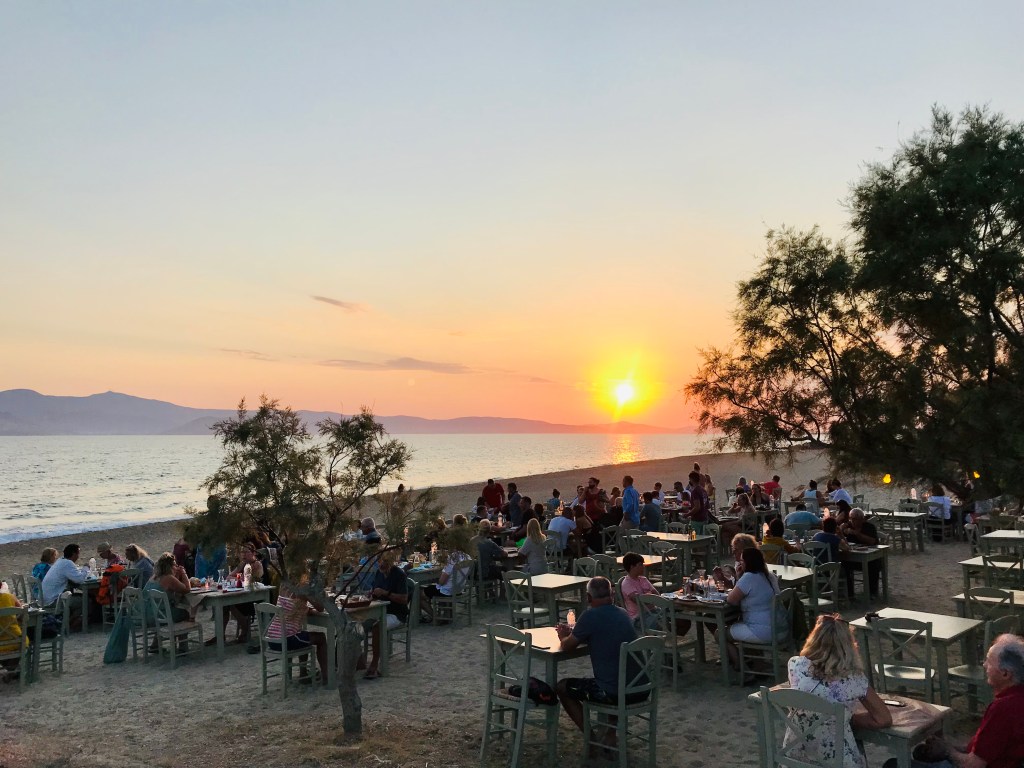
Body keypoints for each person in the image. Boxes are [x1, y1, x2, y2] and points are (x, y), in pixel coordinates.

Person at [786, 614, 892, 768]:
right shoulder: (854, 679)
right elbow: (883, 719)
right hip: (837, 760)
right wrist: (847, 718)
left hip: (795, 755)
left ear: (814, 639)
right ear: (848, 646)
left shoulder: (796, 665)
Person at [555, 576, 642, 753]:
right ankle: (610, 733)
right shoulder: (623, 613)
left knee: (562, 687)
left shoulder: (590, 616)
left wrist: (562, 635)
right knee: (611, 675)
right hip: (640, 687)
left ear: (588, 598)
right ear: (611, 594)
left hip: (614, 692)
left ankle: (592, 740)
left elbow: (567, 646)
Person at [933, 633, 1024, 768]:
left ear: (1005, 674)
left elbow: (974, 764)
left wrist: (947, 751)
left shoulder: (1003, 708)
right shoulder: (1016, 698)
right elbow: (987, 748)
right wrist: (951, 746)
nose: (984, 665)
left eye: (989, 661)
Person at [725, 547, 782, 672]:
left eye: (742, 562)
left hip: (763, 631)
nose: (740, 564)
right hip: (780, 628)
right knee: (743, 627)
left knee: (721, 634)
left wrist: (739, 576)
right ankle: (758, 663)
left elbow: (731, 600)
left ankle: (741, 667)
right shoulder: (768, 575)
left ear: (748, 563)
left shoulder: (749, 578)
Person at [265, 582, 329, 684]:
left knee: (304, 635)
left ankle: (303, 673)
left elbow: (291, 607)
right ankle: (327, 676)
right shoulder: (302, 589)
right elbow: (320, 608)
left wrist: (308, 609)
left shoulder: (284, 585)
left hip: (272, 638)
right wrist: (323, 593)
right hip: (286, 639)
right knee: (320, 637)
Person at [364, 549, 409, 679]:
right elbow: (374, 591)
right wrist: (371, 594)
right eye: (379, 561)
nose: (381, 564)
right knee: (358, 623)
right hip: (379, 611)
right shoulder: (379, 573)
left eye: (384, 561)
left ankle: (375, 663)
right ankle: (359, 660)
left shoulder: (399, 574)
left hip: (396, 614)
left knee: (377, 627)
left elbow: (404, 599)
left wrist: (385, 593)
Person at [207, 543, 265, 645]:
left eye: (246, 552)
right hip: (241, 594)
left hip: (255, 596)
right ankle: (220, 635)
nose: (243, 554)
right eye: (242, 552)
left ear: (253, 553)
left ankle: (245, 631)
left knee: (231, 605)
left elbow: (252, 580)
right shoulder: (242, 564)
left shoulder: (257, 565)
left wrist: (240, 579)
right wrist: (239, 578)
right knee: (224, 605)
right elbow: (229, 577)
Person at [420, 546, 470, 624]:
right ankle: (445, 614)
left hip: (448, 591)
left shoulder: (453, 558)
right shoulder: (468, 556)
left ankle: (435, 617)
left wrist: (436, 579)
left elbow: (442, 581)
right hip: (459, 589)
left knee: (419, 595)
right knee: (434, 588)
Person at [840, 509, 880, 598]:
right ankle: (849, 594)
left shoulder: (869, 527)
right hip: (854, 557)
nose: (852, 521)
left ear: (862, 519)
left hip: (871, 556)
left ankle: (872, 592)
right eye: (850, 518)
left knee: (873, 566)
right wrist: (841, 530)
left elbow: (872, 541)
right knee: (843, 566)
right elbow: (842, 541)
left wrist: (856, 534)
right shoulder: (848, 526)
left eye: (855, 519)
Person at [144, 552, 191, 623]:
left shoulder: (153, 577)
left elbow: (175, 586)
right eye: (175, 565)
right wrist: (183, 572)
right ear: (170, 567)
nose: (177, 567)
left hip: (146, 614)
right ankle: (178, 633)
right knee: (185, 613)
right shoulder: (168, 578)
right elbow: (187, 589)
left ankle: (175, 633)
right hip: (159, 616)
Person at [619, 552, 660, 630]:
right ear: (632, 567)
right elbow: (640, 601)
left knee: (678, 619)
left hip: (654, 611)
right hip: (639, 617)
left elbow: (657, 594)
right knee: (664, 624)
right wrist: (651, 597)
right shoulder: (627, 583)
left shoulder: (643, 579)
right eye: (640, 565)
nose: (643, 567)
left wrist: (650, 597)